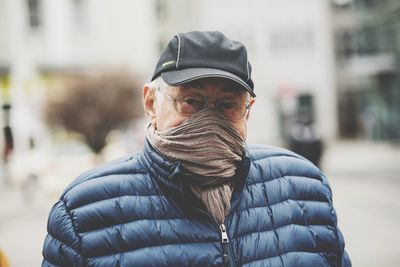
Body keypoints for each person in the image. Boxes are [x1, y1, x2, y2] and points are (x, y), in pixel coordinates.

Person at [42, 31, 351, 267]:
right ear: (151, 103)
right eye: (192, 102)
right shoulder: (83, 211)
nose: (209, 122)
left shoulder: (304, 188)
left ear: (248, 110)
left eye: (227, 105)